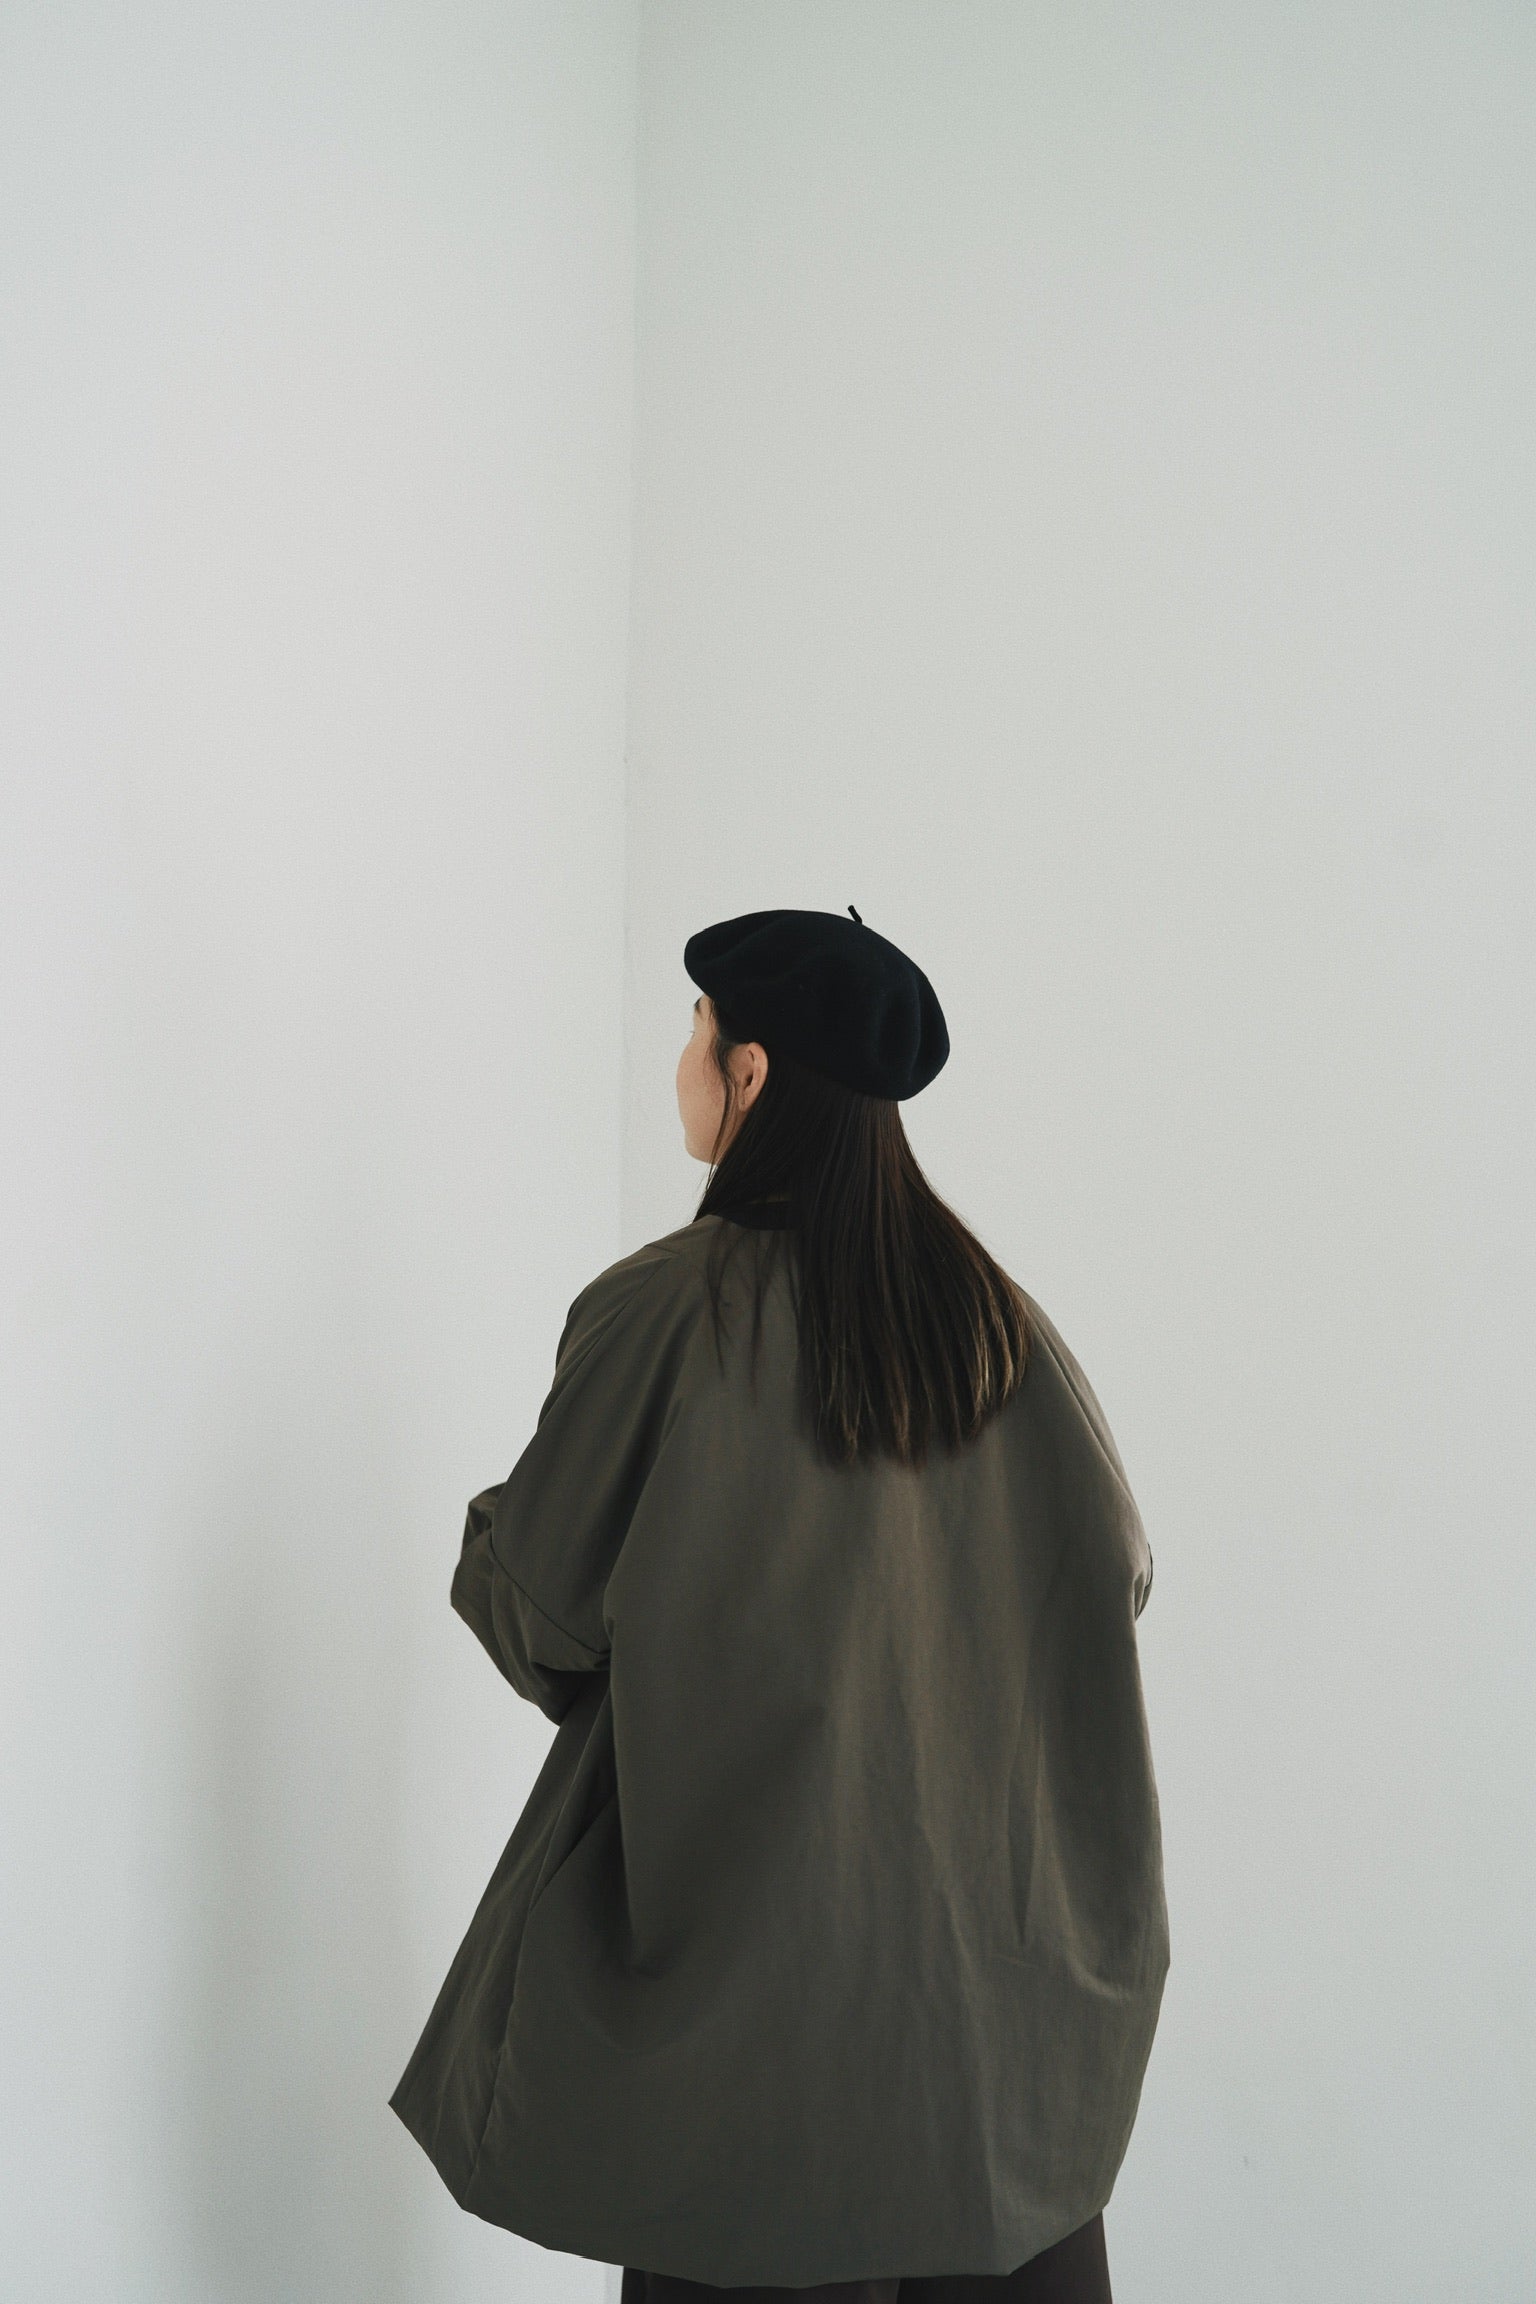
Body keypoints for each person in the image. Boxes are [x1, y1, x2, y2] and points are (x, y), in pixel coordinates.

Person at [390, 907, 1169, 2304]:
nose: (682, 1064)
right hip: (999, 2048)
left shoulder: (668, 1310)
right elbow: (1117, 1571)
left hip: (755, 2036)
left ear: (748, 1073)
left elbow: (544, 1618)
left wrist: (507, 1537)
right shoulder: (1002, 1326)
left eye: (694, 1032)